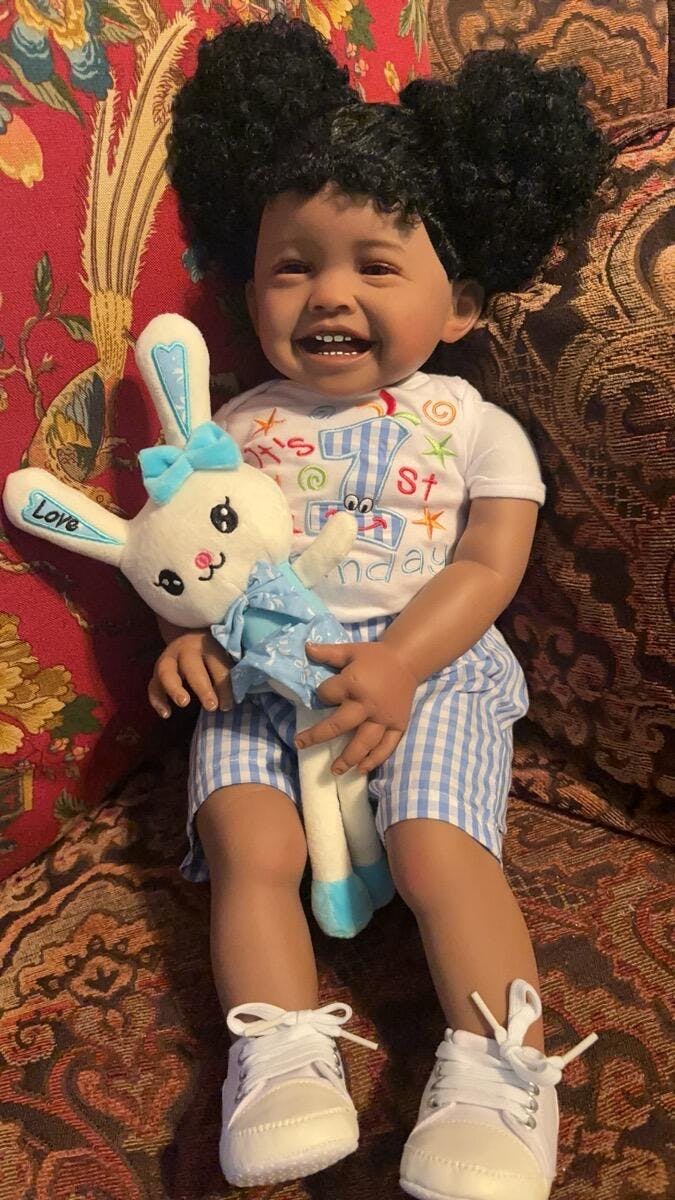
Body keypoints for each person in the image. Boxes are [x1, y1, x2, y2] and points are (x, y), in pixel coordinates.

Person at [149, 16, 612, 1198]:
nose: (329, 293)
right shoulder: (232, 429)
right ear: (248, 287)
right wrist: (186, 637)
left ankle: (501, 1073)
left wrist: (403, 662)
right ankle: (278, 1057)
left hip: (431, 664)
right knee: (249, 842)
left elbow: (488, 565)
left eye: (375, 264)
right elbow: (192, 555)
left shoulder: (471, 424)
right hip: (265, 667)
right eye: (292, 265)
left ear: (460, 304)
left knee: (435, 846)